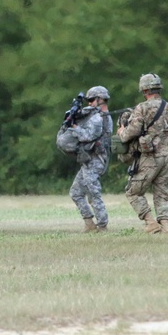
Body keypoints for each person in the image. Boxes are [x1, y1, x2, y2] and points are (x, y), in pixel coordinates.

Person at [117, 73, 168, 234]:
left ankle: (150, 222)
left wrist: (121, 131)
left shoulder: (141, 108)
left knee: (133, 191)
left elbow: (131, 132)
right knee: (163, 193)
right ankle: (165, 227)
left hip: (149, 157)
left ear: (144, 90)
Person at [68, 86, 113, 232]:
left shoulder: (99, 117)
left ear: (100, 99)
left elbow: (88, 136)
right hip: (89, 160)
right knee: (76, 192)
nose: (90, 103)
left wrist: (75, 128)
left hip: (95, 159)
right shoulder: (98, 115)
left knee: (93, 193)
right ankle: (89, 223)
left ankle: (102, 226)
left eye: (92, 100)